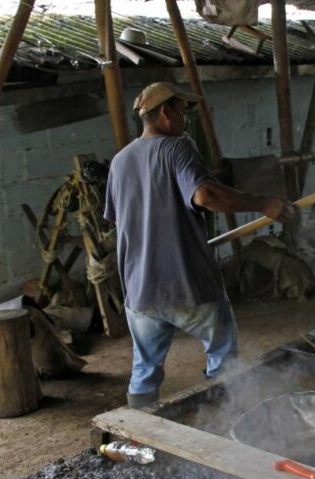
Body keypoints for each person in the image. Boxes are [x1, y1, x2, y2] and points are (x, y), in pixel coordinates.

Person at [104, 82, 297, 408]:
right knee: (222, 351)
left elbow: (116, 218)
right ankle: (221, 419)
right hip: (185, 283)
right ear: (165, 112)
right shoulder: (177, 147)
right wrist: (265, 203)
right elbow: (205, 196)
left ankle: (138, 431)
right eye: (182, 111)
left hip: (139, 290)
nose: (186, 119)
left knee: (145, 368)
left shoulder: (120, 161)